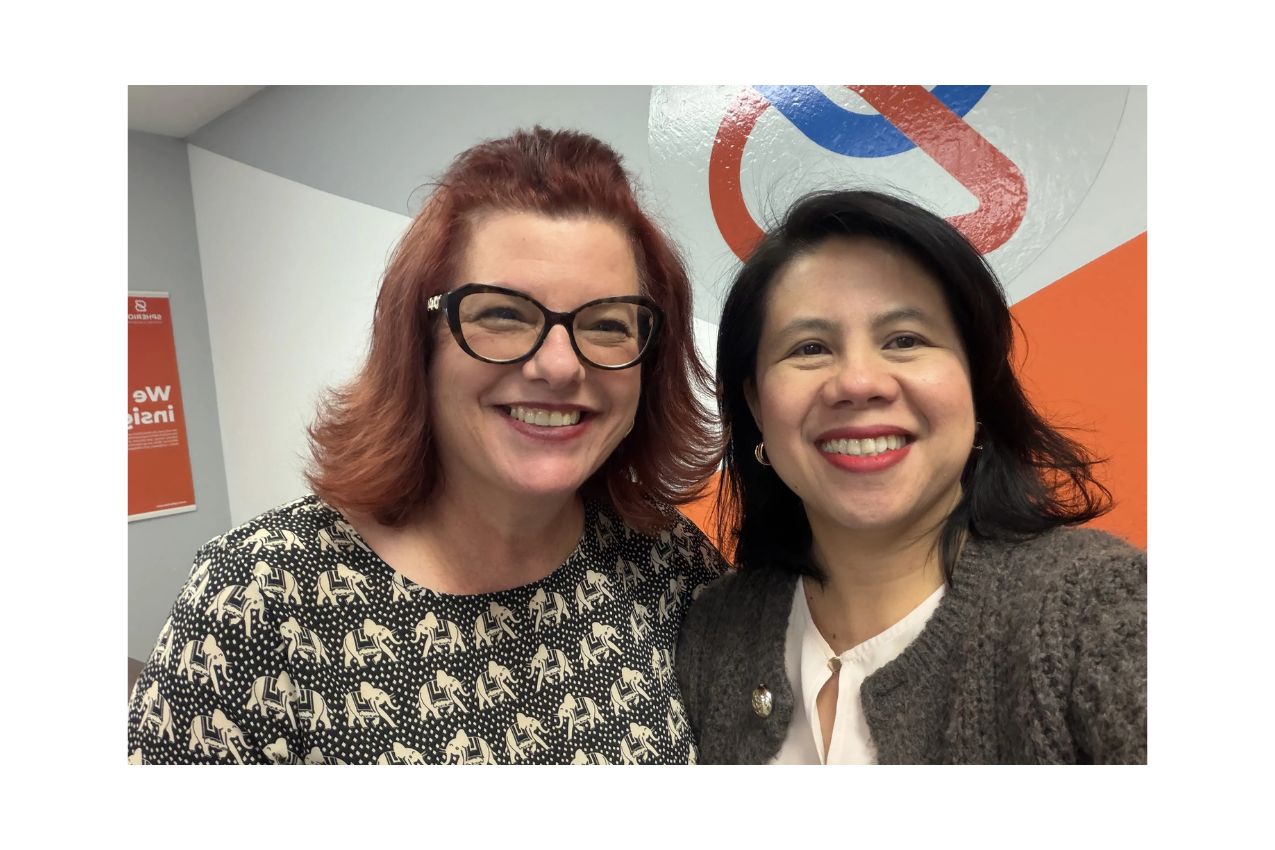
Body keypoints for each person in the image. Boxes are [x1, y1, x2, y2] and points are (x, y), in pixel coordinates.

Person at [128, 127, 724, 765]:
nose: (558, 366)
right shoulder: (256, 600)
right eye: (502, 313)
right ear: (420, 343)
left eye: (607, 323)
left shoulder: (673, 568)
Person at [676, 190, 1146, 764]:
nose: (858, 382)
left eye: (904, 340)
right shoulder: (713, 631)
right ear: (754, 402)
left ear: (977, 384)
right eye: (810, 347)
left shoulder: (1098, 610)